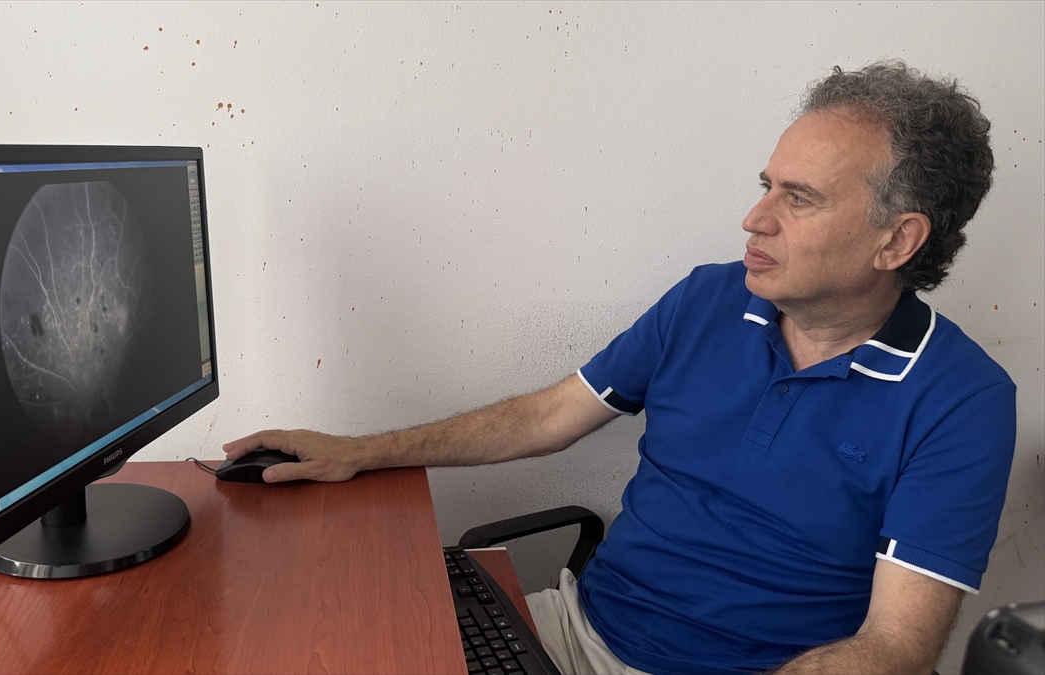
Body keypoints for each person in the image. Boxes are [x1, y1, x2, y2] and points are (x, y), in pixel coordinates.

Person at [223, 61, 1016, 675]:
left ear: (897, 240)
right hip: (573, 633)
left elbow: (894, 647)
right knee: (326, 640)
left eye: (800, 198)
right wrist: (357, 451)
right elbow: (545, 417)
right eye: (765, 186)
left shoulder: (962, 400)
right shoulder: (709, 299)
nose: (755, 217)